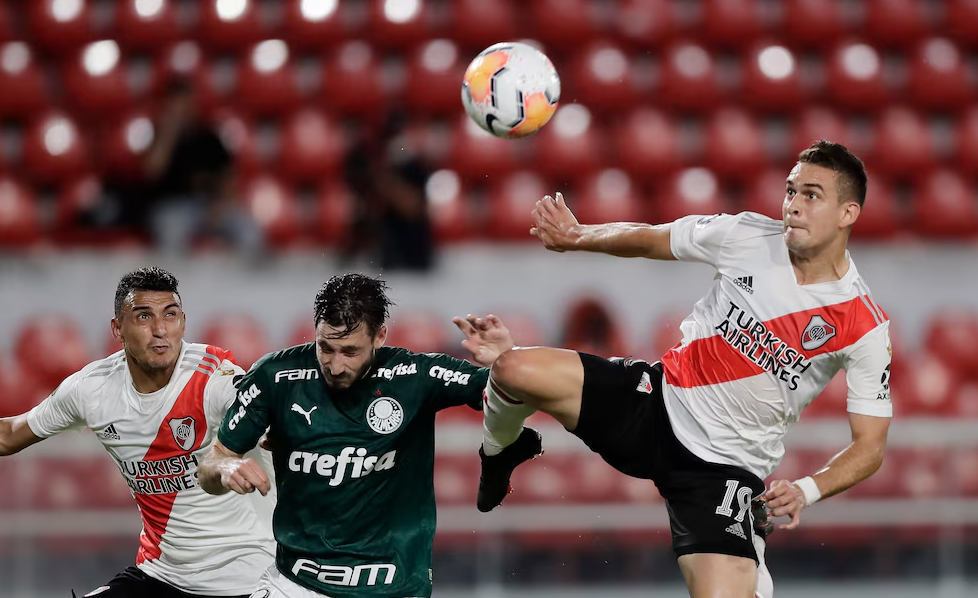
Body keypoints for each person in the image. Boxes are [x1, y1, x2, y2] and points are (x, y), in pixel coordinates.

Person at [476, 140, 893, 598]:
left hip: (723, 469)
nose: (793, 205)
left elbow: (870, 447)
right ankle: (498, 453)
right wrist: (578, 236)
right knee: (512, 368)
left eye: (811, 195)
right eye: (791, 191)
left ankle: (750, 568)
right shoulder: (746, 235)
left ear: (848, 213)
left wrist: (807, 490)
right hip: (656, 402)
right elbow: (654, 237)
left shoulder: (864, 325)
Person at [198, 273, 514, 598]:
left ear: (380, 336)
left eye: (350, 352)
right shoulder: (275, 376)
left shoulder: (415, 376)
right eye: (325, 348)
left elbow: (510, 395)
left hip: (394, 587)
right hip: (295, 583)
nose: (335, 366)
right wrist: (225, 467)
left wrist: (509, 362)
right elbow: (211, 466)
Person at [0, 267, 276, 597]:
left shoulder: (213, 377)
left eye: (170, 315)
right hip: (161, 574)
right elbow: (9, 434)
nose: (160, 330)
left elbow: (261, 412)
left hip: (247, 577)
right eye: (144, 317)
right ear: (117, 328)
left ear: (183, 323)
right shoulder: (92, 390)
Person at [141, 78, 264, 259]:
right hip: (172, 207)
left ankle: (249, 277)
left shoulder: (209, 137)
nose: (184, 109)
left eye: (187, 103)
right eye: (177, 104)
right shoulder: (157, 136)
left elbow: (229, 176)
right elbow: (152, 172)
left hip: (209, 205)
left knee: (248, 229)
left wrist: (222, 204)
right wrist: (169, 133)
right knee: (171, 234)